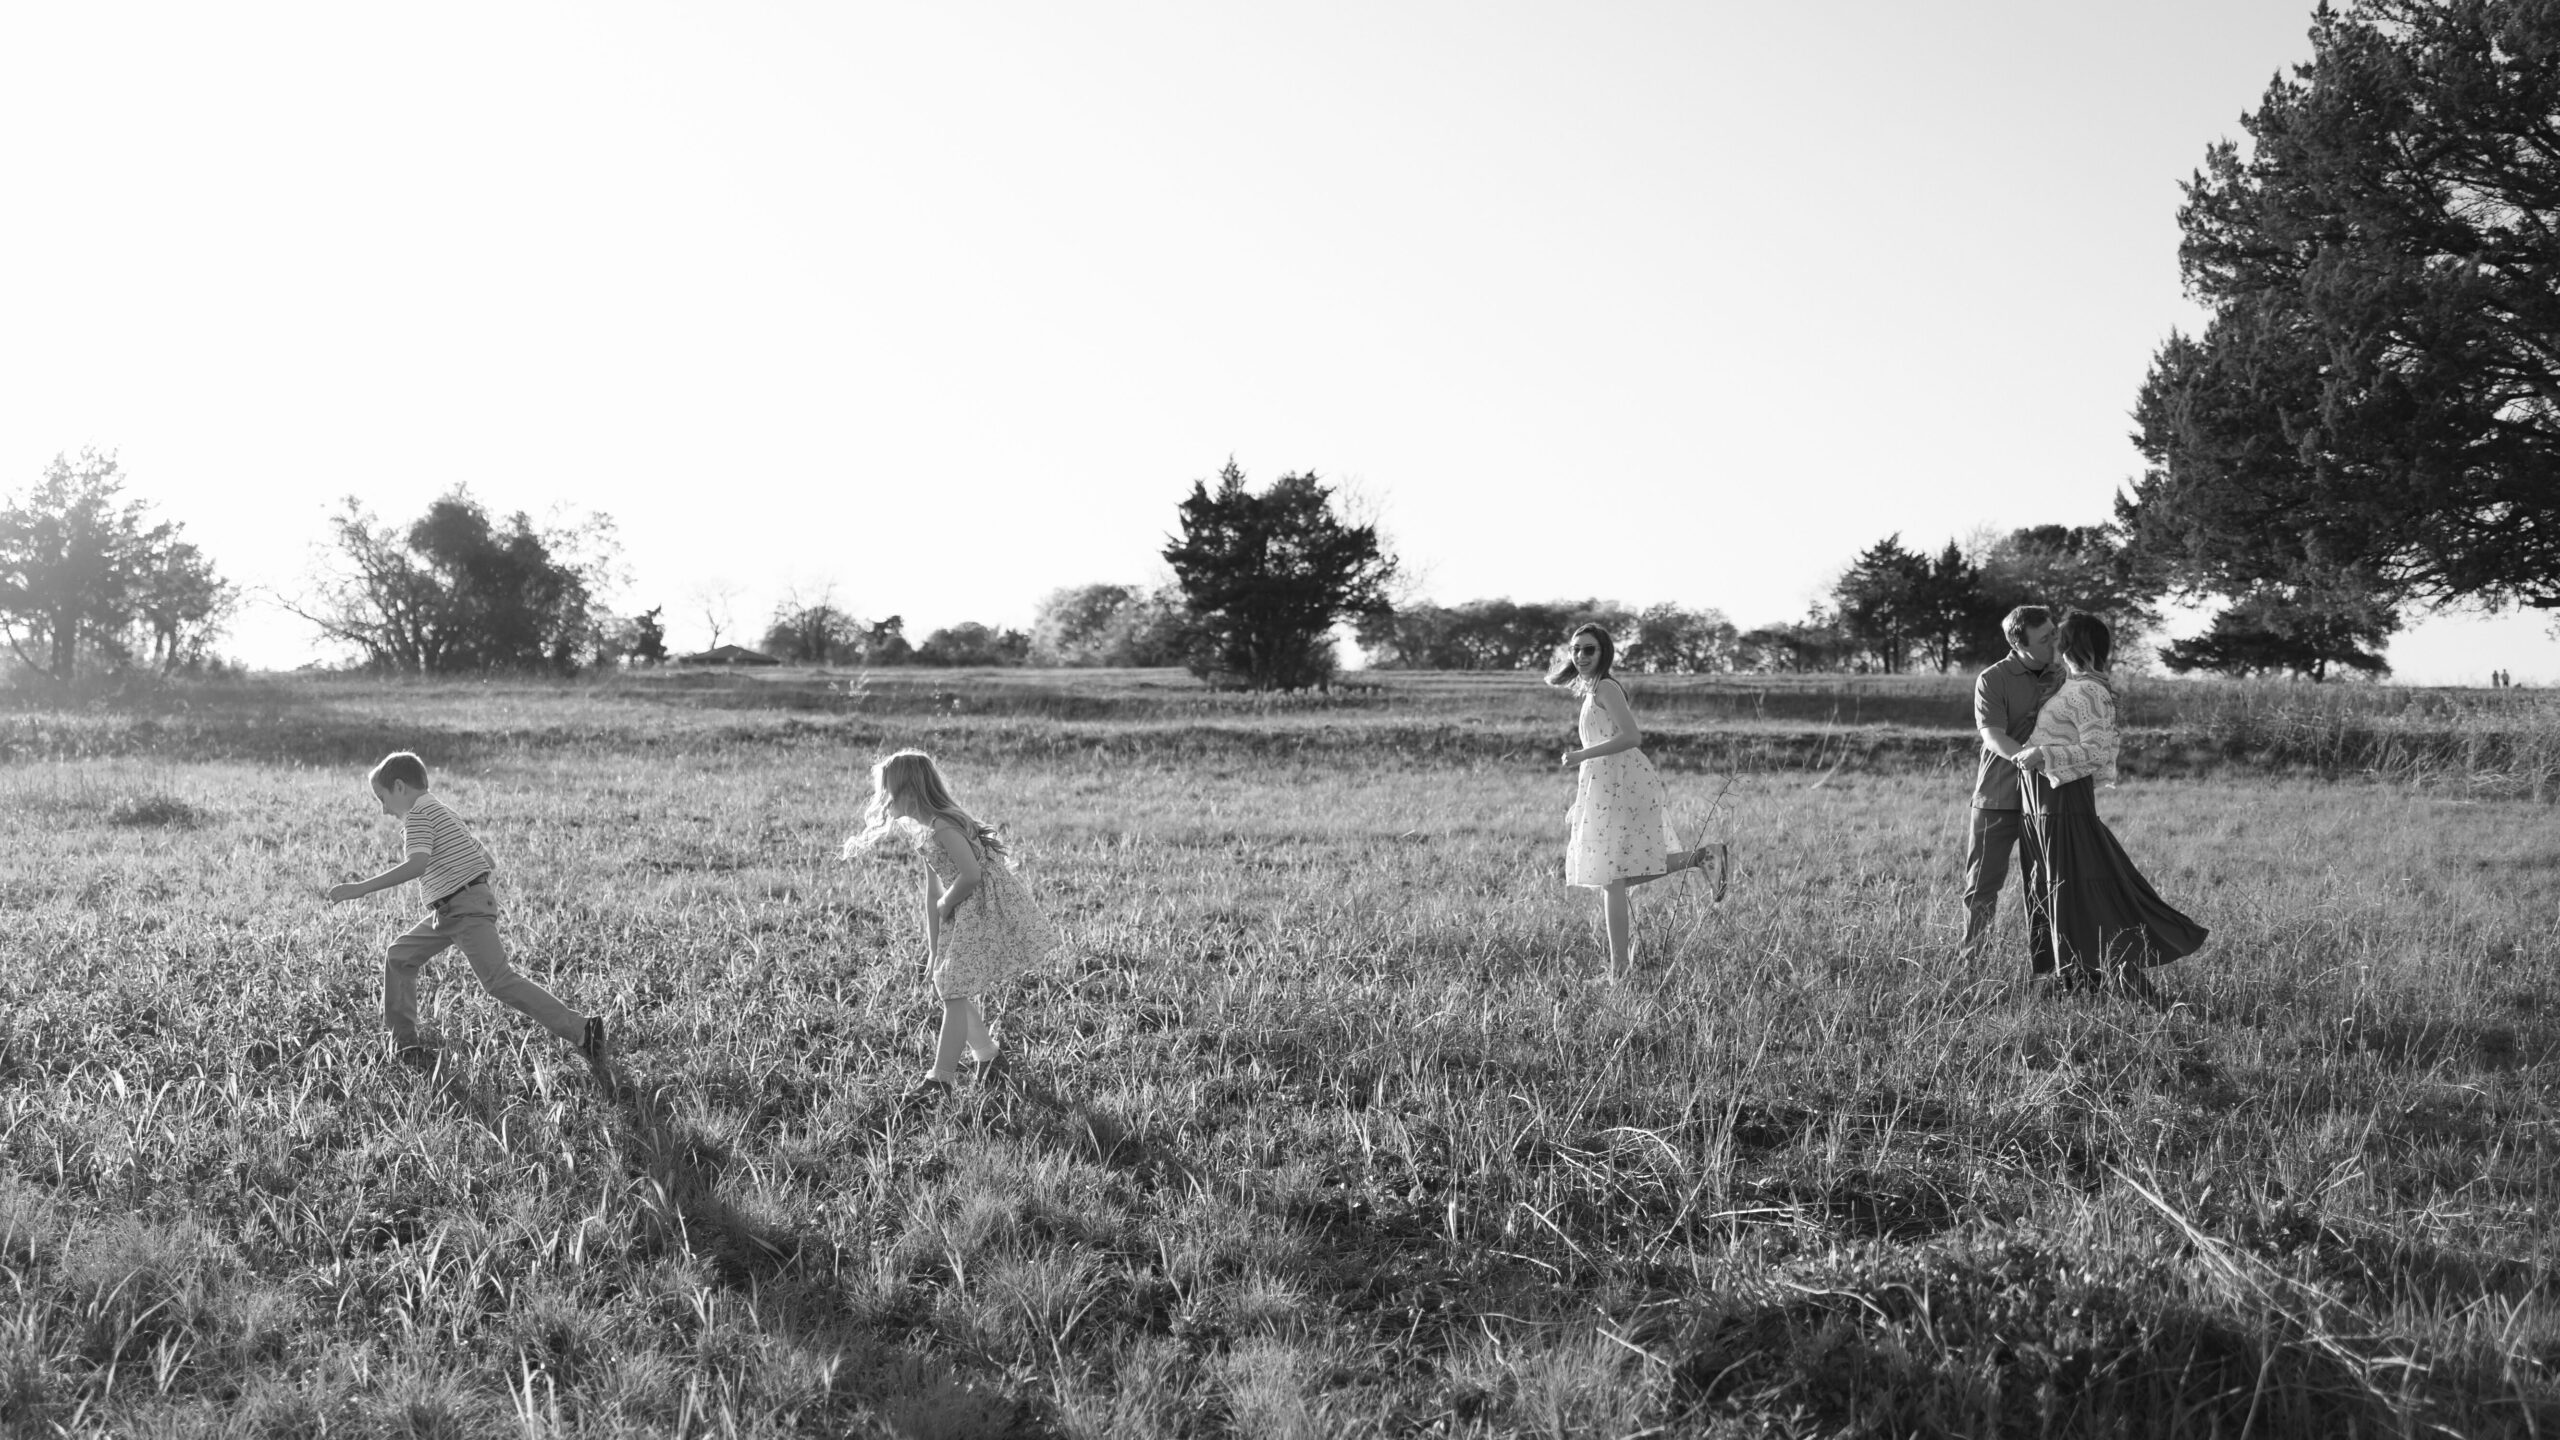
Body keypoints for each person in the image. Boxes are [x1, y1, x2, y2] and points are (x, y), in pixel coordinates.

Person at [326, 752, 608, 1064]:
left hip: (463, 908)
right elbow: (487, 860)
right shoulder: (445, 812)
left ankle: (583, 1030)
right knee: (399, 956)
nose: (383, 810)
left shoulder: (418, 816)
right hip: (451, 909)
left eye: (382, 798)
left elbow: (416, 865)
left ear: (400, 787)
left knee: (499, 980)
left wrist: (361, 888)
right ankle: (404, 1045)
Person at [844, 750, 1059, 1098]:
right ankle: (989, 1057)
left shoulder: (944, 827)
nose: (882, 801)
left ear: (911, 792)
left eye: (888, 792)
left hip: (983, 908)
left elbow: (971, 876)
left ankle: (940, 1081)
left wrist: (947, 903)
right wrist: (933, 949)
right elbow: (933, 894)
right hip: (964, 909)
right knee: (948, 985)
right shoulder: (925, 833)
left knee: (954, 992)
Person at [2014, 612, 2209, 993]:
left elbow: (2098, 751)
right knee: (2051, 891)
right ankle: (2073, 981)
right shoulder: (2069, 685)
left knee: (2077, 889)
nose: (2051, 640)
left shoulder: (2089, 691)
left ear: (2071, 645)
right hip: (2039, 804)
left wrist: (2043, 756)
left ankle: (2126, 980)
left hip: (2063, 801)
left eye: (2058, 636)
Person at [1551, 623, 1725, 979]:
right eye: (1576, 649)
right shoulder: (1590, 691)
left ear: (1604, 653)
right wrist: (1581, 799)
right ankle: (1704, 857)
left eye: (1589, 650)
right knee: (1612, 877)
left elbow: (1632, 736)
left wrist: (1582, 756)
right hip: (1605, 786)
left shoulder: (1607, 687)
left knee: (1611, 878)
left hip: (1623, 783)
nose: (1580, 656)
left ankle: (1619, 973)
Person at [1961, 606, 2062, 962]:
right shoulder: (1993, 678)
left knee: (2048, 886)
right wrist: (2025, 758)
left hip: (2050, 799)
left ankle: (2049, 966)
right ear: (2019, 643)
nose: (2055, 640)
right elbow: (1992, 734)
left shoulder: (2064, 677)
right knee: (1983, 887)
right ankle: (1973, 963)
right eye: (2045, 637)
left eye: (2054, 632)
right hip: (1998, 797)